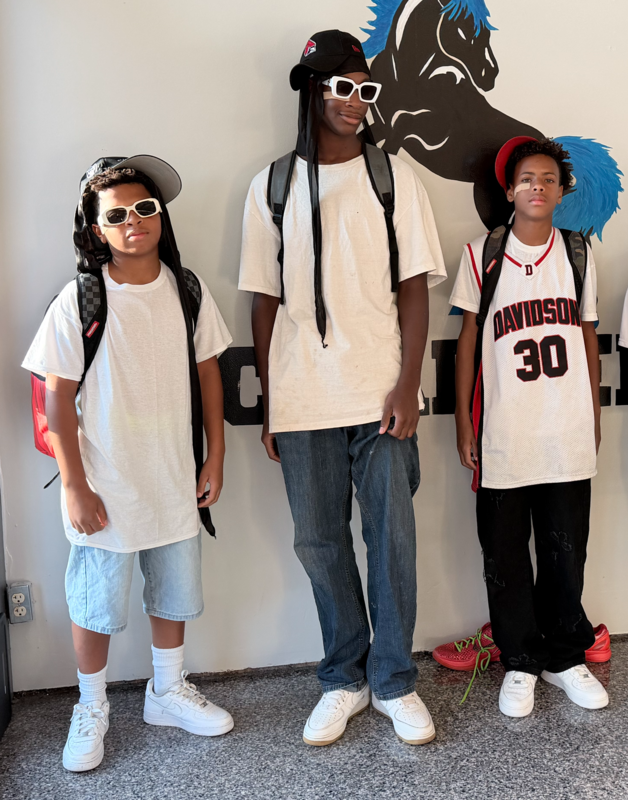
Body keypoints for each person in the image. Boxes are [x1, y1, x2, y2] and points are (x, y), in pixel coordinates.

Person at [239, 30, 446, 746]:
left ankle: (394, 681)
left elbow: (414, 287)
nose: (357, 102)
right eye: (343, 88)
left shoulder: (393, 178)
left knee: (391, 541)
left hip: (381, 392)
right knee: (319, 542)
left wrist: (408, 385)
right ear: (312, 91)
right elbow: (264, 300)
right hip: (302, 399)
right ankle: (344, 678)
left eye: (366, 90)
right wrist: (272, 402)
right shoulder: (270, 186)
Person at [22, 155, 234, 771]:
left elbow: (208, 372)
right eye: (116, 215)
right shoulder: (81, 298)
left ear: (160, 215)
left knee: (174, 591)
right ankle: (91, 705)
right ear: (96, 229)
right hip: (105, 482)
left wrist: (216, 453)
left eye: (145, 208)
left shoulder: (187, 289)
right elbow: (57, 395)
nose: (133, 221)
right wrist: (74, 485)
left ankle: (167, 691)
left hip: (173, 476)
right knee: (96, 602)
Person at [451, 136, 609, 717]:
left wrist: (593, 413)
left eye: (548, 178)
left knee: (567, 552)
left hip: (565, 429)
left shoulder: (579, 254)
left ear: (562, 191)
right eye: (526, 179)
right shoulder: (481, 254)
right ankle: (520, 660)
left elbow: (587, 337)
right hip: (504, 431)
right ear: (509, 190)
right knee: (505, 555)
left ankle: (564, 657)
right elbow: (468, 339)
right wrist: (464, 422)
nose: (537, 186)